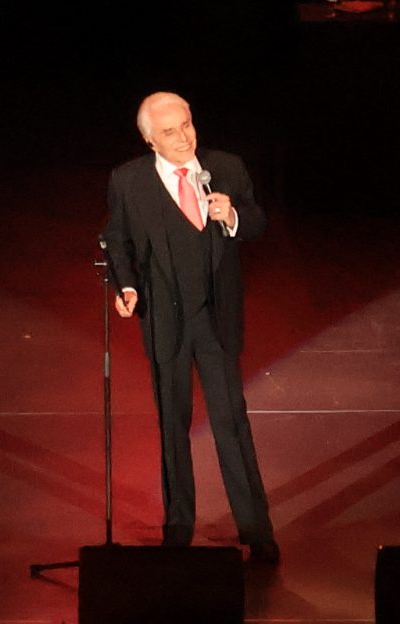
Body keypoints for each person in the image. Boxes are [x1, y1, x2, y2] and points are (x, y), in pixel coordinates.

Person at [102, 92, 279, 564]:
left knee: (231, 423)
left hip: (216, 319)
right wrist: (127, 287)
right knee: (172, 425)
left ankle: (256, 530)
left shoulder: (225, 168)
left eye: (186, 124)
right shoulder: (129, 181)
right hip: (165, 321)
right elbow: (117, 239)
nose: (183, 138)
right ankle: (178, 527)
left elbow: (257, 221)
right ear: (149, 140)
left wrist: (233, 216)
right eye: (169, 132)